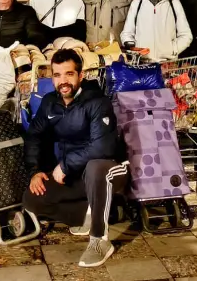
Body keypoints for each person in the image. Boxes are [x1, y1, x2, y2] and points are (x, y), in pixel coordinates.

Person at [22, 49, 126, 268]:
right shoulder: (50, 102)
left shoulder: (98, 102)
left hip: (111, 170)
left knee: (96, 168)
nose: (63, 81)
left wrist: (66, 165)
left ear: (80, 76)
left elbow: (102, 148)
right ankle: (96, 210)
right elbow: (34, 135)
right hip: (75, 175)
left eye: (69, 74)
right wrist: (34, 171)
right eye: (57, 75)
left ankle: (100, 240)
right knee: (32, 199)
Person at [120, 0, 192, 61]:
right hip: (142, 62)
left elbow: (186, 35)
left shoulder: (174, 3)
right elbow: (127, 33)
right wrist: (133, 47)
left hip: (167, 63)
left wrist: (173, 50)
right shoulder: (137, 4)